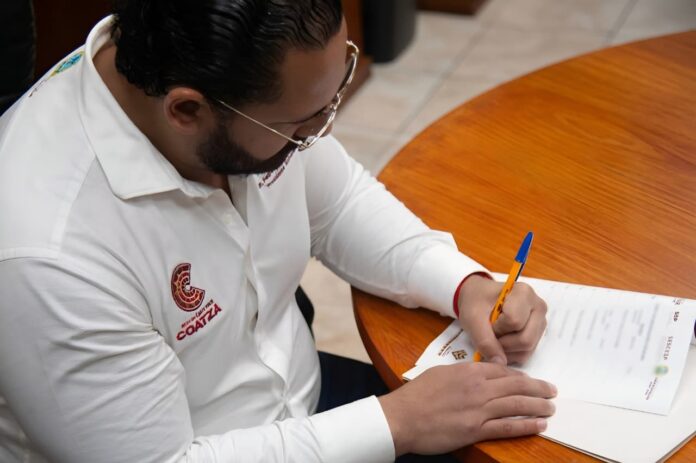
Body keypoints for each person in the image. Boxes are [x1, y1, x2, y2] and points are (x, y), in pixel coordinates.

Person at [0, 1, 556, 461]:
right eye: (301, 126)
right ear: (187, 111)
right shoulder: (50, 255)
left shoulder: (238, 92)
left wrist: (462, 285)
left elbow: (338, 204)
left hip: (305, 402)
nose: (321, 134)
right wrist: (398, 424)